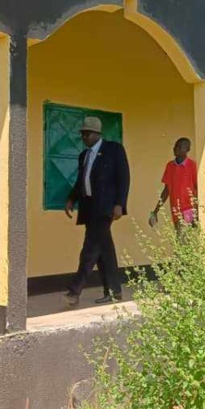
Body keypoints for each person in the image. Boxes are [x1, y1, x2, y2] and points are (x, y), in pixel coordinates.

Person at [64, 117, 130, 306]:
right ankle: (114, 292)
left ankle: (74, 290)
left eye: (87, 134)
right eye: (82, 134)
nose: (83, 137)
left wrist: (120, 203)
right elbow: (81, 181)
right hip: (89, 207)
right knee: (103, 251)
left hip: (106, 207)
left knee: (90, 248)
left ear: (96, 134)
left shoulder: (113, 149)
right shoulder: (83, 155)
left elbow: (124, 177)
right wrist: (71, 198)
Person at [149, 138, 198, 230]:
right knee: (181, 240)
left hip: (189, 210)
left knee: (184, 238)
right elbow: (166, 190)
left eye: (180, 147)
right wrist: (155, 211)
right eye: (175, 146)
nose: (176, 149)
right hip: (175, 211)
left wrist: (198, 211)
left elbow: (197, 188)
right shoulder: (170, 166)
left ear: (187, 150)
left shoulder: (192, 166)